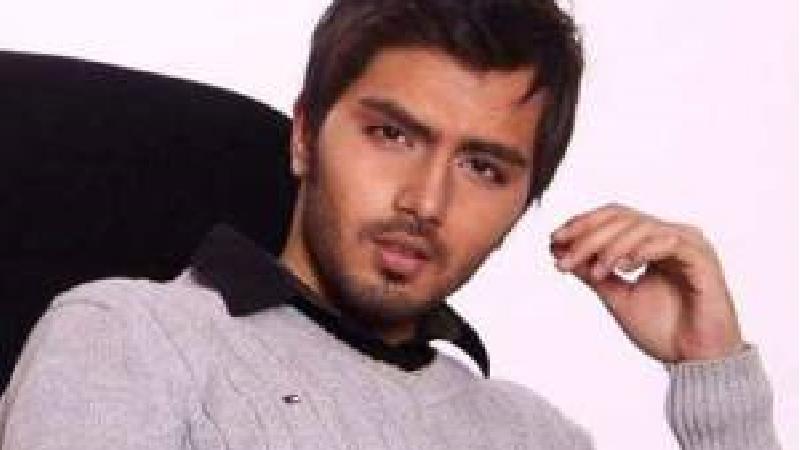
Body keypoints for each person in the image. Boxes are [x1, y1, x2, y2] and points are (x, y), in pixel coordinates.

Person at [0, 0, 781, 449]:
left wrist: (710, 372)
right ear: (305, 136)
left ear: (526, 202)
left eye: (484, 167)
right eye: (392, 135)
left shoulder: (535, 435)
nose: (426, 201)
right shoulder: (131, 336)